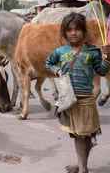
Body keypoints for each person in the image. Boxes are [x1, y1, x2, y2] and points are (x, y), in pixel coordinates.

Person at [46, 13, 110, 173]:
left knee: (83, 136)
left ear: (83, 31)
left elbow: (102, 71)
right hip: (69, 101)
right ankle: (82, 165)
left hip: (86, 101)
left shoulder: (93, 51)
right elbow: (49, 63)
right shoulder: (60, 52)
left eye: (77, 29)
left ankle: (82, 168)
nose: (73, 33)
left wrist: (107, 58)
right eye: (69, 30)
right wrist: (58, 70)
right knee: (80, 135)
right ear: (64, 32)